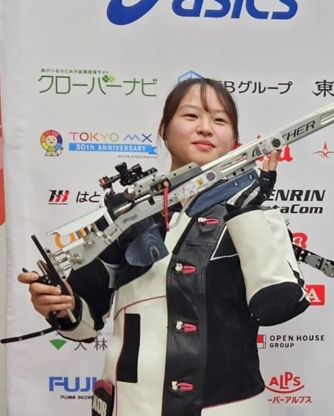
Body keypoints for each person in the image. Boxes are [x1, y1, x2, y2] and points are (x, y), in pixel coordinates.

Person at [18, 78, 310, 415]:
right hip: (133, 404)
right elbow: (85, 322)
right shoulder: (127, 216)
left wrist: (246, 211)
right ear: (164, 129)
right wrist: (59, 305)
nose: (205, 128)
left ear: (235, 140)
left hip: (227, 407)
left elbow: (279, 306)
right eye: (190, 116)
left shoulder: (256, 215)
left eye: (219, 120)